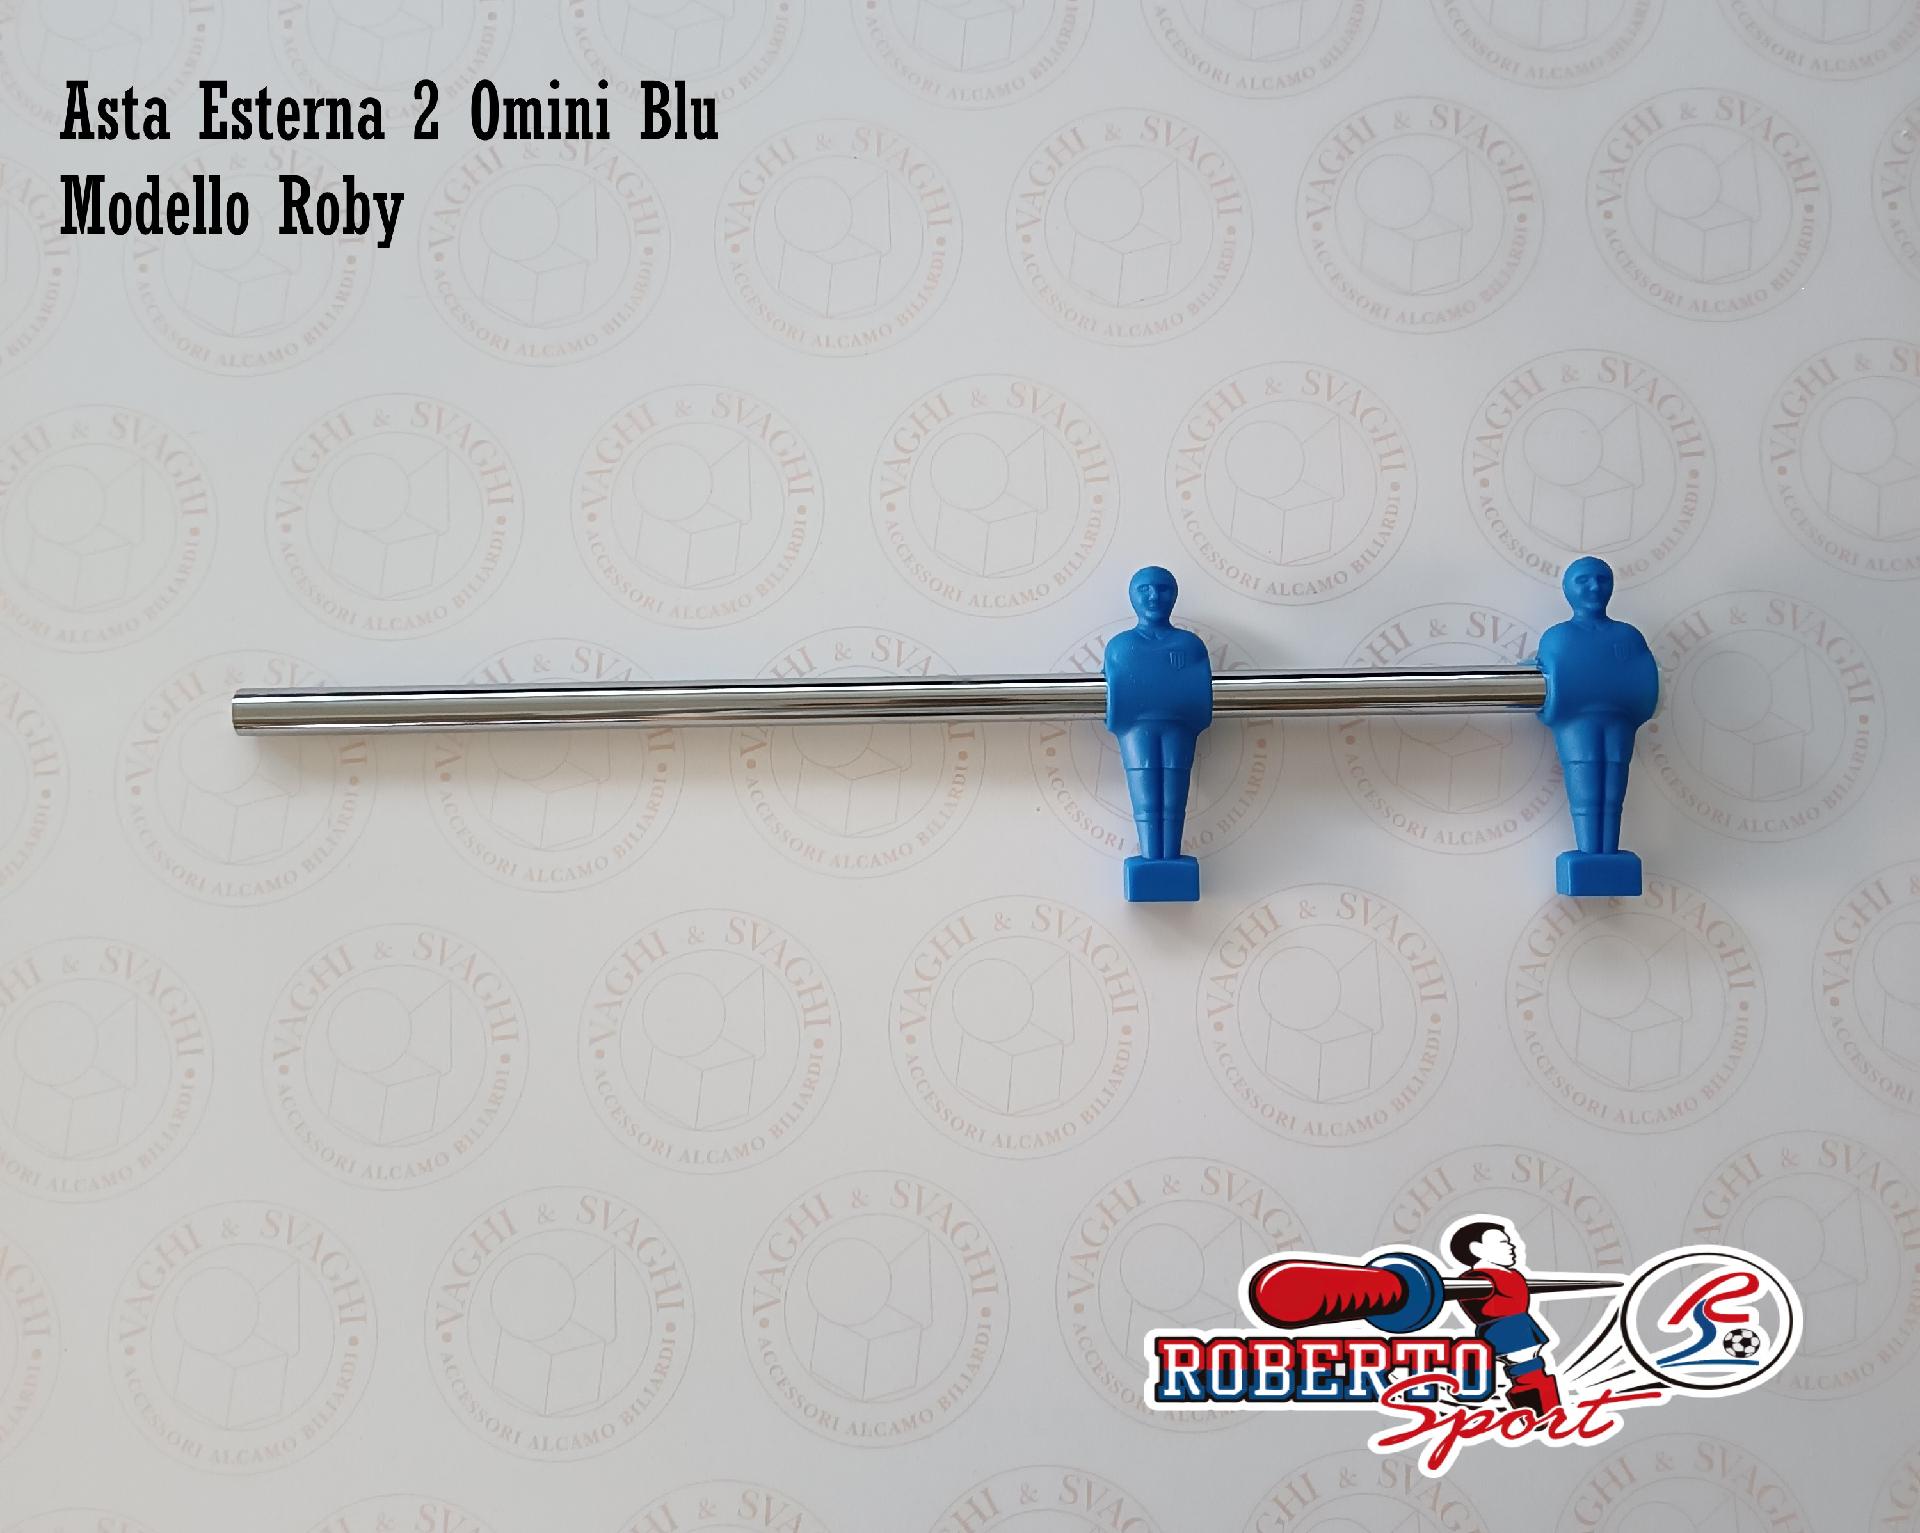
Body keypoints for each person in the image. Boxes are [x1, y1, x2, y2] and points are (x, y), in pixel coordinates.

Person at [1536, 556, 1658, 897]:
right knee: (1588, 783)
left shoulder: (1627, 636)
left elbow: (1645, 679)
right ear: (1567, 590)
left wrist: (1632, 705)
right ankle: (1590, 855)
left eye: (1602, 579)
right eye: (1584, 580)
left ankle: (1606, 855)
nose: (1594, 587)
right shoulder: (1558, 637)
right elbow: (1553, 673)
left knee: (1612, 786)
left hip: (1619, 721)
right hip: (1577, 722)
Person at [1102, 566, 1212, 902]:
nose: (1154, 596)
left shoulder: (1189, 645)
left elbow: (1198, 688)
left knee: (1173, 794)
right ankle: (1152, 859)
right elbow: (1116, 687)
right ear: (1132, 596)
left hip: (1179, 726)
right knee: (1147, 794)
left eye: (1163, 589)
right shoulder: (1121, 646)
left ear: (1174, 596)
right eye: (1145, 589)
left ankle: (1169, 858)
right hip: (1136, 727)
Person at [1448, 1219, 1560, 1415]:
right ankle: (1541, 1418)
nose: (1512, 1247)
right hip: (1505, 1333)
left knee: (1535, 1372)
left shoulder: (1512, 1274)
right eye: (1503, 1242)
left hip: (1522, 1328)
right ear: (1477, 1249)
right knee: (1526, 1375)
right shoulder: (1475, 1279)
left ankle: (1550, 1416)